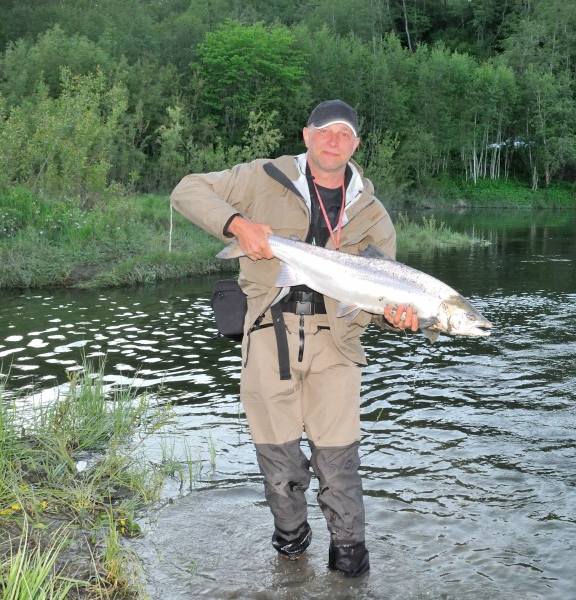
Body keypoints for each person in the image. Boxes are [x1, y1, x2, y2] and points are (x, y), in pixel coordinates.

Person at [169, 99, 418, 577]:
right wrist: (236, 224)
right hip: (268, 336)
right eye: (324, 132)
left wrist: (399, 317)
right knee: (280, 465)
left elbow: (381, 296)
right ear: (306, 136)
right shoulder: (262, 176)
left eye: (343, 134)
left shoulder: (373, 213)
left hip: (338, 343)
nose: (333, 141)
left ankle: (349, 563)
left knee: (339, 464)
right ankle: (291, 550)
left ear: (356, 145)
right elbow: (187, 190)